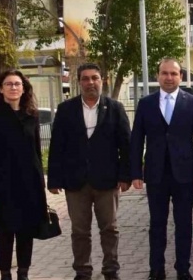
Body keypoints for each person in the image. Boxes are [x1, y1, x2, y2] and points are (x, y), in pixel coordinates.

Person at [47, 63, 132, 280]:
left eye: (94, 78)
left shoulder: (115, 108)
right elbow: (57, 146)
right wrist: (54, 179)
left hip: (107, 180)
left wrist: (125, 176)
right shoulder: (66, 110)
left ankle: (111, 269)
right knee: (79, 231)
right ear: (78, 82)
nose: (90, 82)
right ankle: (82, 271)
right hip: (76, 182)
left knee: (110, 229)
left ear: (102, 80)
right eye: (85, 79)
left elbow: (127, 145)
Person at [130, 58, 193, 280]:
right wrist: (135, 172)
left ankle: (182, 268)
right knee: (157, 224)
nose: (168, 77)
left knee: (184, 224)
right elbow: (136, 139)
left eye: (173, 74)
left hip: (185, 173)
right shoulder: (146, 103)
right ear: (158, 76)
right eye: (164, 73)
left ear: (180, 77)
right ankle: (156, 269)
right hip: (155, 174)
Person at [0, 69, 47, 280]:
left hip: (29, 185)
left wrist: (41, 182)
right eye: (9, 84)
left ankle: (23, 273)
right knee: (5, 232)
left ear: (24, 88)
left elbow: (36, 151)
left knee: (27, 232)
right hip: (2, 187)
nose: (14, 87)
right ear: (0, 89)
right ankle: (5, 274)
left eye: (17, 84)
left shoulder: (31, 116)